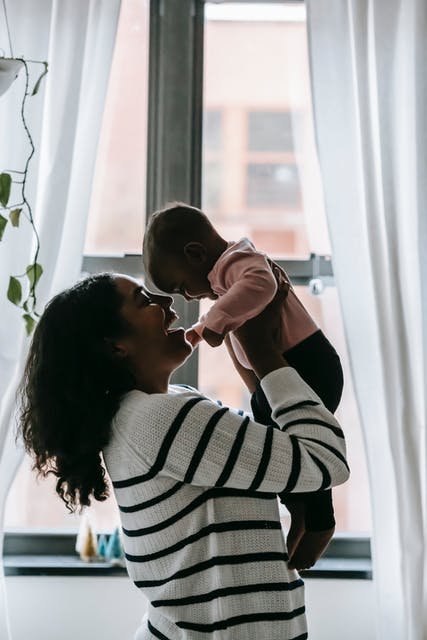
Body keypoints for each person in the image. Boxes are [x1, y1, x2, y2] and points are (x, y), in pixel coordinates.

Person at [18, 272, 349, 640]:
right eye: (146, 301)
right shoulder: (159, 420)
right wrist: (263, 352)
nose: (169, 305)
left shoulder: (168, 405)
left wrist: (245, 348)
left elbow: (269, 453)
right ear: (115, 347)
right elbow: (325, 460)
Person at [143, 202, 344, 568]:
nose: (187, 297)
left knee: (303, 448)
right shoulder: (224, 282)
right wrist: (212, 332)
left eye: (181, 286)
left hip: (308, 365)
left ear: (195, 253)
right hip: (276, 378)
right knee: (280, 448)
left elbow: (262, 284)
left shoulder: (240, 261)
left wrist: (213, 324)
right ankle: (300, 511)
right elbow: (244, 330)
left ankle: (320, 521)